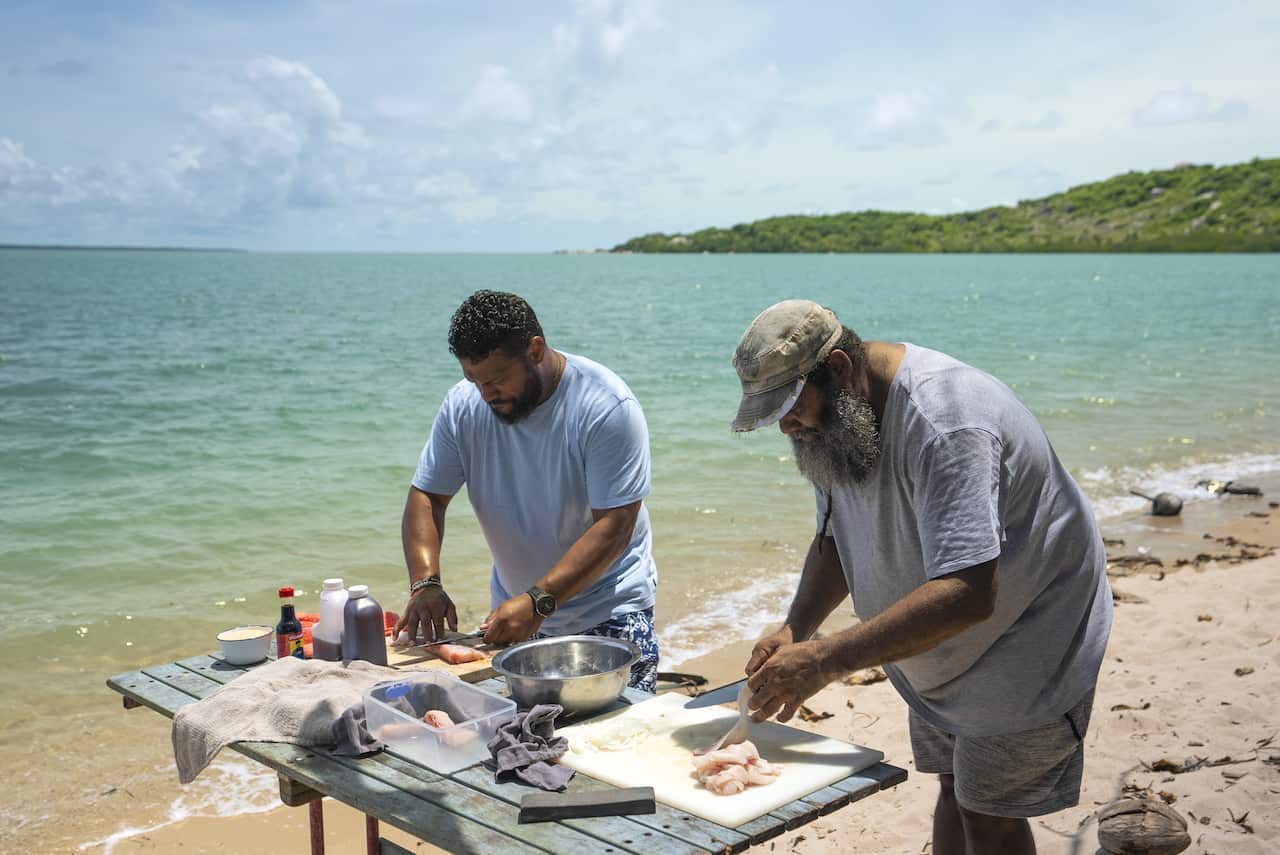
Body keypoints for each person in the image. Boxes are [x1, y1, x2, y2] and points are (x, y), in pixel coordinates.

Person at [731, 300, 1112, 855]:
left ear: (839, 369)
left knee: (989, 813)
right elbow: (835, 540)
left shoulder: (947, 422)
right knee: (954, 788)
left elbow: (967, 594)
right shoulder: (837, 423)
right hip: (930, 645)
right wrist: (797, 628)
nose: (786, 425)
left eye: (790, 406)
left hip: (1028, 634)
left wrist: (825, 661)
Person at [395, 290, 660, 691]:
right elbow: (428, 496)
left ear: (534, 351)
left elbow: (615, 526)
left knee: (617, 729)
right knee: (519, 728)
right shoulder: (463, 406)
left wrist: (539, 600)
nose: (486, 394)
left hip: (609, 610)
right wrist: (425, 583)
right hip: (516, 613)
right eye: (474, 380)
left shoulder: (606, 407)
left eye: (497, 379)